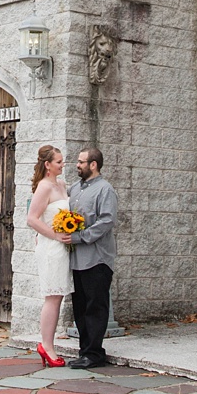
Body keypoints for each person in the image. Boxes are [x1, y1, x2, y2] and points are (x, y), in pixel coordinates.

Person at [67, 147, 117, 369]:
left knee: (95, 307)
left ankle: (95, 354)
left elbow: (106, 221)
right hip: (77, 260)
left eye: (81, 162)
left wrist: (81, 237)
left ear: (93, 165)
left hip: (97, 259)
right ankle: (84, 351)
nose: (77, 165)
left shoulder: (105, 190)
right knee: (79, 307)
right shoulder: (75, 189)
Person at [26, 144, 73, 366]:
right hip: (51, 248)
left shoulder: (62, 184)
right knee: (52, 297)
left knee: (59, 296)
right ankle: (47, 345)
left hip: (64, 248)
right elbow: (32, 218)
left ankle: (48, 344)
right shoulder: (44, 187)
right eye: (58, 162)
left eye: (62, 161)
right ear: (47, 165)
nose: (63, 164)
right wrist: (54, 236)